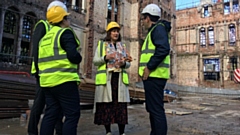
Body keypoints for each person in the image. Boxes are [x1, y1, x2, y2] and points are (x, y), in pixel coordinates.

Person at [38, 6, 82, 135]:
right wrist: (79, 57)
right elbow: (73, 56)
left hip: (47, 83)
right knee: (72, 115)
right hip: (64, 81)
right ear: (62, 19)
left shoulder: (45, 38)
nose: (68, 20)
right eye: (66, 18)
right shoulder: (65, 32)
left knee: (50, 114)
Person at [28, 1, 67, 135]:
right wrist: (39, 71)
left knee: (54, 106)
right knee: (39, 104)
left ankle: (58, 131)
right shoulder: (43, 25)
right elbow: (36, 50)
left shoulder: (59, 29)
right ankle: (32, 132)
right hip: (42, 73)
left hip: (54, 74)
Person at [93, 21, 132, 135]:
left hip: (119, 79)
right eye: (113, 31)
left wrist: (123, 64)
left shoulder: (123, 46)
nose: (116, 33)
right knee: (107, 105)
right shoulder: (101, 45)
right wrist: (105, 57)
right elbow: (95, 61)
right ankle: (108, 131)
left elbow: (129, 62)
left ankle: (122, 132)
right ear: (109, 33)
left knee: (120, 106)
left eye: (117, 31)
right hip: (107, 79)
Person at [138, 3, 171, 135]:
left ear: (147, 18)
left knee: (156, 109)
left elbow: (163, 49)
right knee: (152, 108)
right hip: (153, 76)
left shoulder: (158, 29)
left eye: (143, 18)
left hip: (155, 76)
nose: (142, 22)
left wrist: (149, 67)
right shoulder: (156, 30)